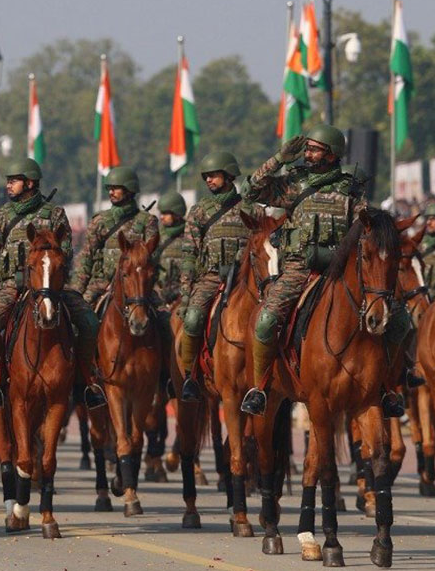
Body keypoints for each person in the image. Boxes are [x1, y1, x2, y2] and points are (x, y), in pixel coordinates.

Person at [238, 123, 391, 417]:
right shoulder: (294, 183)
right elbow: (250, 190)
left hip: (342, 271)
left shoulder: (351, 188)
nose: (307, 154)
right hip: (299, 269)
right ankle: (260, 388)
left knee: (394, 320)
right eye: (307, 149)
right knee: (266, 320)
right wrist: (279, 159)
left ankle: (385, 387)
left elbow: (365, 229)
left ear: (332, 154)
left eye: (314, 149)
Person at [0, 156, 107, 411]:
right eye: (8, 181)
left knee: (90, 322)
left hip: (51, 288)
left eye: (14, 181)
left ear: (30, 183)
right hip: (11, 286)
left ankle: (86, 381)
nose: (8, 185)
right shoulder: (1, 217)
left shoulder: (55, 214)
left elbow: (66, 254)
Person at [176, 152, 257, 402]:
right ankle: (190, 376)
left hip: (245, 279)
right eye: (206, 177)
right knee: (192, 320)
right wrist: (186, 294)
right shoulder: (199, 211)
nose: (209, 180)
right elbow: (189, 254)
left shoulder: (249, 208)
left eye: (213, 175)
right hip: (210, 278)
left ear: (229, 175)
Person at [70, 166, 159, 309]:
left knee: (164, 317)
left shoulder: (147, 221)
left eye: (116, 188)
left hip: (138, 285)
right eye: (109, 188)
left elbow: (153, 260)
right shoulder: (100, 221)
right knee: (79, 315)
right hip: (101, 285)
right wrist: (75, 292)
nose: (111, 192)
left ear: (129, 190)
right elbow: (86, 258)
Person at [153, 192, 192, 307]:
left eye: (166, 213)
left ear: (176, 213)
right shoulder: (156, 236)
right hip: (159, 294)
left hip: (184, 294)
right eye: (161, 213)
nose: (161, 217)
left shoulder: (190, 234)